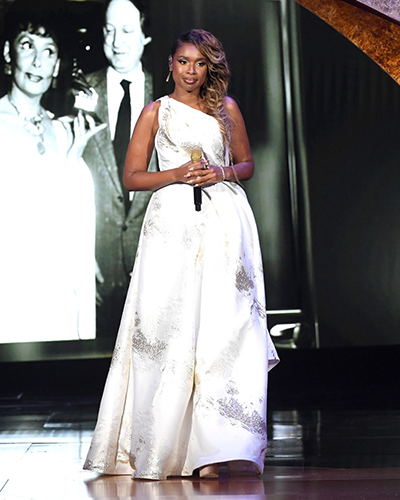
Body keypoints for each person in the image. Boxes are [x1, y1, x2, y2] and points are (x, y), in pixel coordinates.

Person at [84, 29, 279, 480]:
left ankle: (217, 446)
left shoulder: (225, 109)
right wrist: (174, 173)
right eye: (183, 61)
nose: (191, 71)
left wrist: (222, 171)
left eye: (200, 63)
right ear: (169, 64)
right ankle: (170, 446)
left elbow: (247, 164)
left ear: (209, 66)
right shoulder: (156, 113)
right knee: (170, 329)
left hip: (225, 222)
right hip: (171, 227)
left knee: (225, 329)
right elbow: (133, 177)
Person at [0, 1, 105, 343]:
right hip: (13, 295)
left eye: (48, 52)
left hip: (58, 294)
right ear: (7, 53)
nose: (36, 62)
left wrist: (74, 159)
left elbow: (71, 218)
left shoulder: (63, 132)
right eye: (27, 46)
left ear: (57, 65)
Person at [82, 0, 157, 339]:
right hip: (95, 269)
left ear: (146, 36)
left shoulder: (171, 97)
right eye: (109, 30)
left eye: (127, 31)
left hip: (157, 265)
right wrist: (80, 255)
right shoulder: (77, 93)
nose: (117, 41)